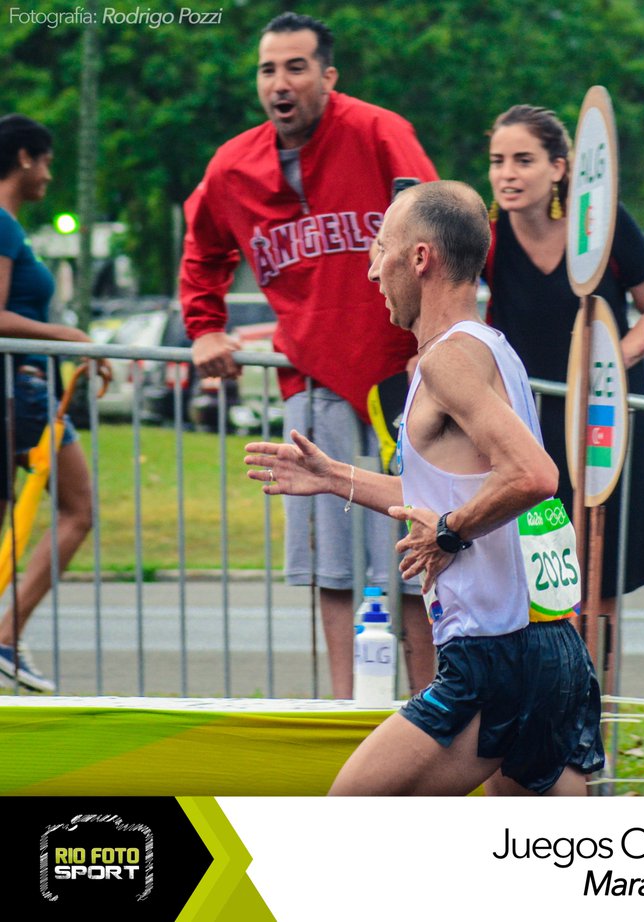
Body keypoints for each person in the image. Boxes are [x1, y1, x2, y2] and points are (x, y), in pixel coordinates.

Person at [245, 181, 603, 795]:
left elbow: (533, 476)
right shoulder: (492, 349)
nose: (371, 269)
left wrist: (447, 534)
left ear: (420, 258)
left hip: (493, 655)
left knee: (349, 810)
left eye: (381, 248)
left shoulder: (447, 359)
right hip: (552, 648)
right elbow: (459, 487)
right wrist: (334, 477)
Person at [180, 12, 439, 699]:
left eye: (296, 67)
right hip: (314, 380)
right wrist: (204, 327)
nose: (280, 83)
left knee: (415, 549)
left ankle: (432, 708)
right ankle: (344, 706)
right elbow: (202, 248)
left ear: (328, 76)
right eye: (268, 70)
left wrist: (433, 341)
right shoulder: (233, 165)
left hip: (401, 379)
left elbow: (434, 232)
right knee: (331, 562)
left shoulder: (380, 133)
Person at [485, 104, 644, 670]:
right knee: (532, 586)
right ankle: (535, 730)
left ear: (560, 168)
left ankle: (592, 724)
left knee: (598, 584)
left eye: (524, 160)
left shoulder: (605, 224)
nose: (507, 174)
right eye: (496, 161)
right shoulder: (489, 241)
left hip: (603, 425)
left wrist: (609, 363)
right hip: (528, 437)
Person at [0, 114, 111, 693]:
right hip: (20, 392)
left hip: (26, 389)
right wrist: (75, 337)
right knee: (79, 508)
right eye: (45, 161)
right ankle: (7, 635)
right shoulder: (1, 222)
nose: (49, 173)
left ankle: (7, 635)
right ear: (24, 158)